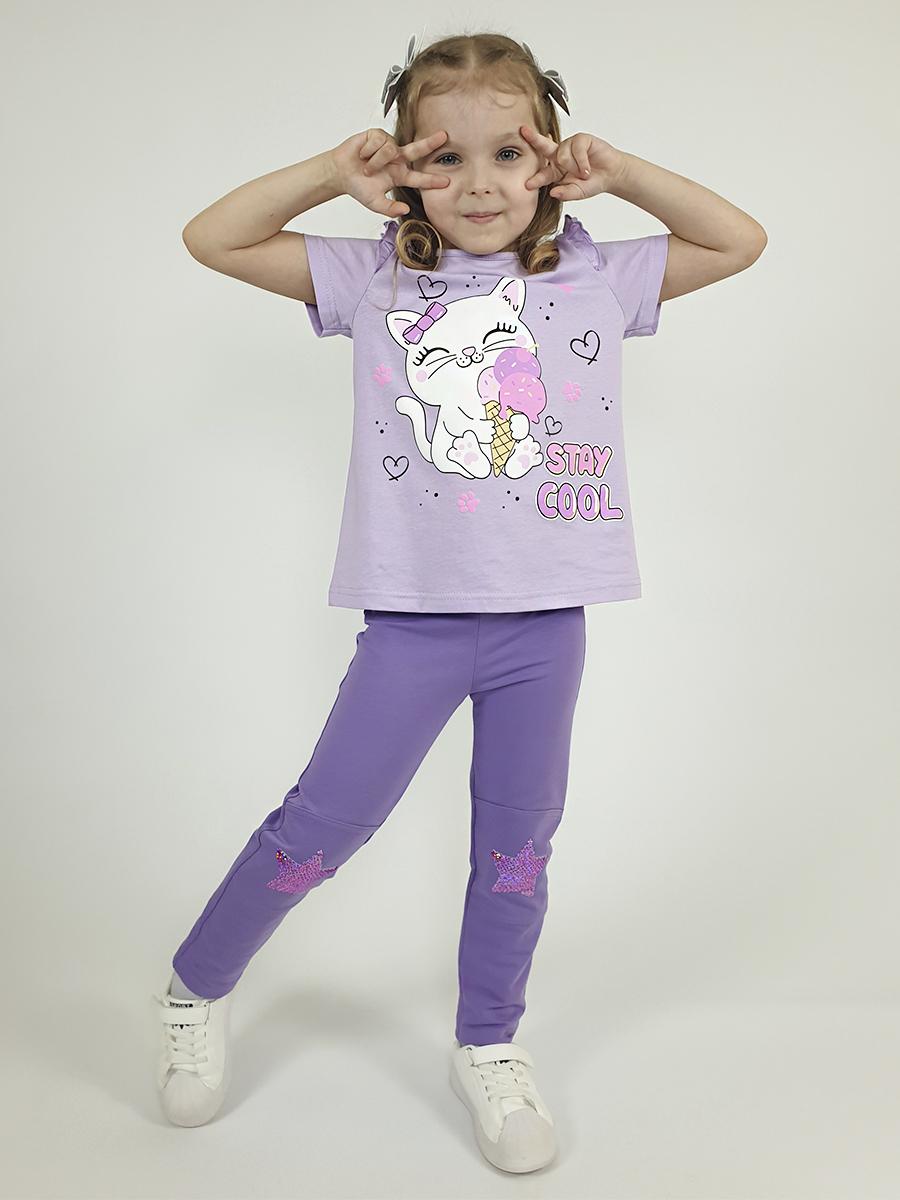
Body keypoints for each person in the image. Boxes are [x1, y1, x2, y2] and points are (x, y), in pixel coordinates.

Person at [152, 29, 766, 1173]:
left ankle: (489, 1040)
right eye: (446, 157)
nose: (480, 184)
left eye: (507, 154)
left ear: (549, 161)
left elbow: (740, 240)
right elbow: (211, 237)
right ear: (404, 166)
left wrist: (623, 174)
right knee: (322, 826)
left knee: (517, 850)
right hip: (414, 626)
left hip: (547, 625)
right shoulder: (375, 276)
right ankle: (196, 985)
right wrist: (329, 175)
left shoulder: (593, 273)